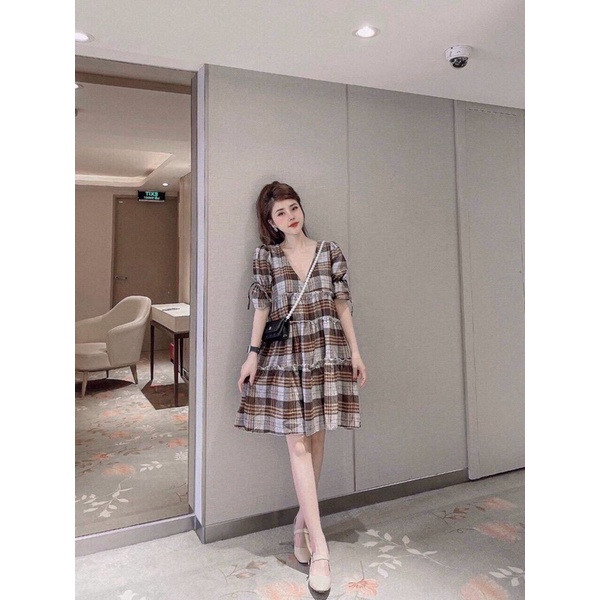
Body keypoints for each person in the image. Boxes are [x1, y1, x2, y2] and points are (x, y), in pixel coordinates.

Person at [235, 181, 367, 594]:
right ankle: (320, 546)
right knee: (297, 446)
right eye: (281, 212)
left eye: (294, 207)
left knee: (317, 440)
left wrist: (355, 352)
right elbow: (262, 306)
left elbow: (342, 305)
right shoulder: (266, 257)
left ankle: (300, 525)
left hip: (326, 351)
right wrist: (252, 354)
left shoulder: (329, 251)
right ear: (271, 222)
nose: (290, 216)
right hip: (286, 357)